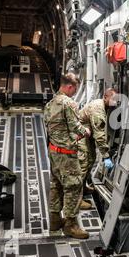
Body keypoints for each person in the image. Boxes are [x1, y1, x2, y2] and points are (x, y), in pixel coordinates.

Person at [44, 73, 92, 239]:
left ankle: (55, 220)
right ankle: (70, 225)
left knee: (56, 185)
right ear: (70, 86)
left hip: (53, 152)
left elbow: (49, 128)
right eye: (75, 89)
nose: (75, 92)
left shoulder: (50, 104)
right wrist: (85, 131)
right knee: (73, 186)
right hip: (67, 155)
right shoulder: (69, 103)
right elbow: (75, 127)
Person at [78, 88, 119, 196]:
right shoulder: (98, 110)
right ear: (105, 97)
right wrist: (106, 156)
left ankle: (83, 187)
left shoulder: (104, 106)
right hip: (80, 135)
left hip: (87, 135)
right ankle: (77, 198)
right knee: (84, 163)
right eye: (113, 99)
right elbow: (99, 135)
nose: (115, 102)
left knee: (91, 158)